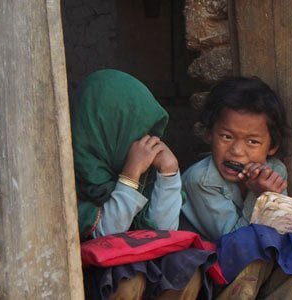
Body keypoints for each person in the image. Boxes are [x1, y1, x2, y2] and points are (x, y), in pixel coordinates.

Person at [181, 77, 292, 299]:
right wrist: (260, 195)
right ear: (210, 133)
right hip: (212, 271)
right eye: (226, 137)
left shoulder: (275, 170)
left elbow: (280, 229)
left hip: (259, 265)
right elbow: (233, 240)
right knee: (251, 241)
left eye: (252, 142)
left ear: (272, 146)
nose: (237, 151)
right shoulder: (200, 180)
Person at [72, 69, 214, 300]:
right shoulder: (75, 171)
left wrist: (169, 173)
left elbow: (163, 230)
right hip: (94, 277)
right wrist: (130, 174)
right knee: (128, 280)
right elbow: (107, 235)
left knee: (187, 271)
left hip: (139, 263)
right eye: (132, 131)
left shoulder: (144, 170)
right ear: (104, 129)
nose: (143, 141)